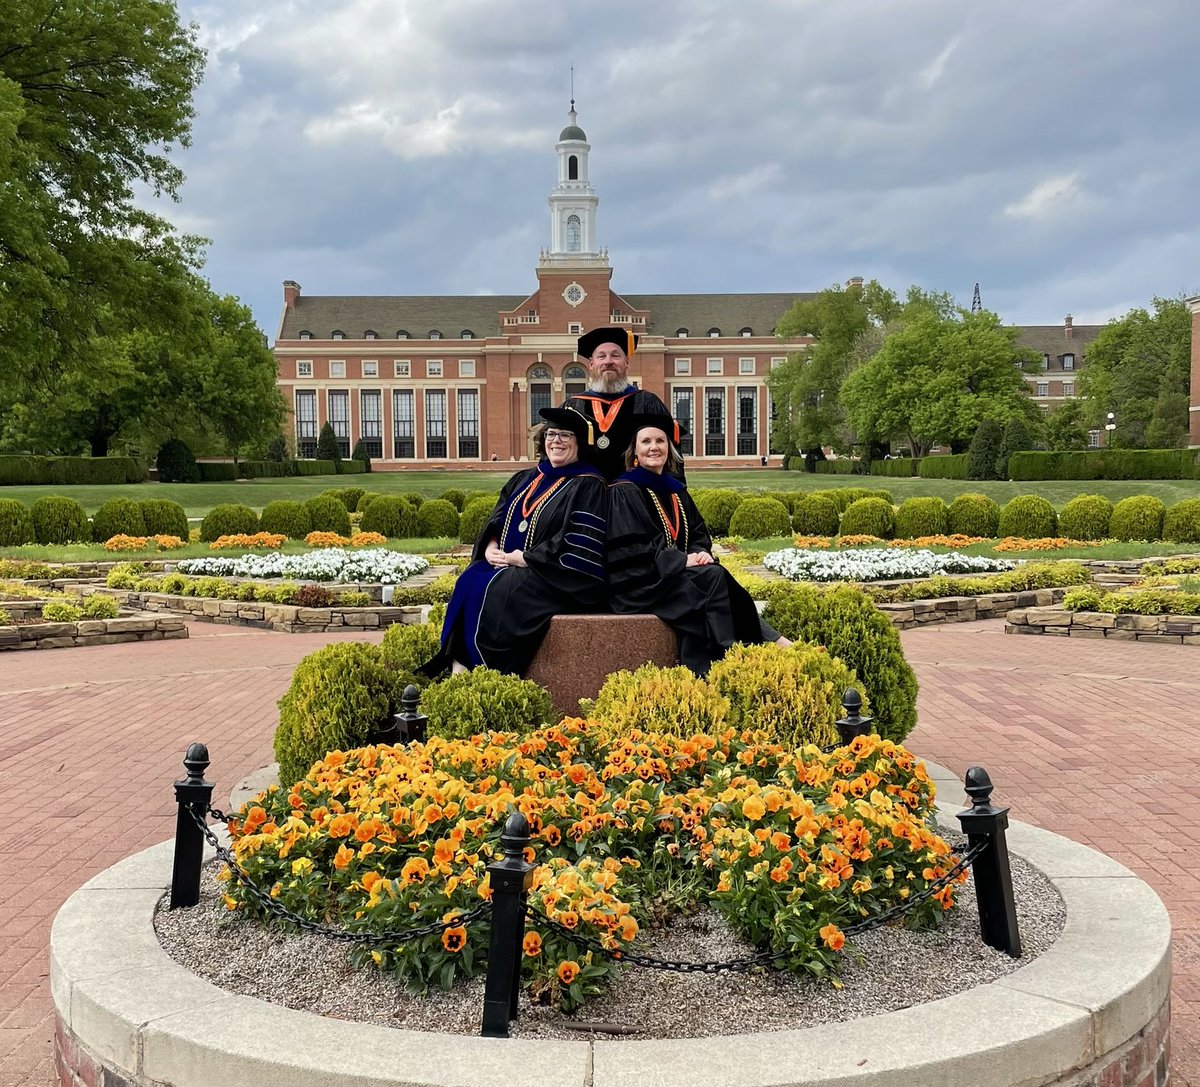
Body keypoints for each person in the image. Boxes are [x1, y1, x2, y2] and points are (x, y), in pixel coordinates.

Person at [421, 407, 607, 677]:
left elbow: (579, 543)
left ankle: (488, 670)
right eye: (551, 434)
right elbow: (498, 517)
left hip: (554, 574)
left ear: (579, 443)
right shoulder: (527, 477)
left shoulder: (589, 484)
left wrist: (525, 559)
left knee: (501, 589)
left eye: (565, 435)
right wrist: (490, 547)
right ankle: (458, 662)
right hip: (506, 562)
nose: (556, 441)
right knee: (471, 578)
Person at [607, 417, 789, 674]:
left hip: (671, 577)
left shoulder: (675, 491)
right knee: (713, 579)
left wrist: (699, 552)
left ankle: (732, 654)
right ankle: (728, 656)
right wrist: (681, 560)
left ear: (669, 448)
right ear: (634, 451)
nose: (654, 447)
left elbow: (698, 532)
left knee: (713, 575)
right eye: (646, 441)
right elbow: (631, 548)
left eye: (660, 441)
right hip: (640, 583)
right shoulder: (624, 491)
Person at [563, 326, 683, 482]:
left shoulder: (647, 402)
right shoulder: (574, 406)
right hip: (584, 492)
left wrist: (672, 491)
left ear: (626, 362)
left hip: (637, 490)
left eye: (615, 355)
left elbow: (669, 454)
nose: (608, 361)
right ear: (591, 364)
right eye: (601, 356)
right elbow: (554, 453)